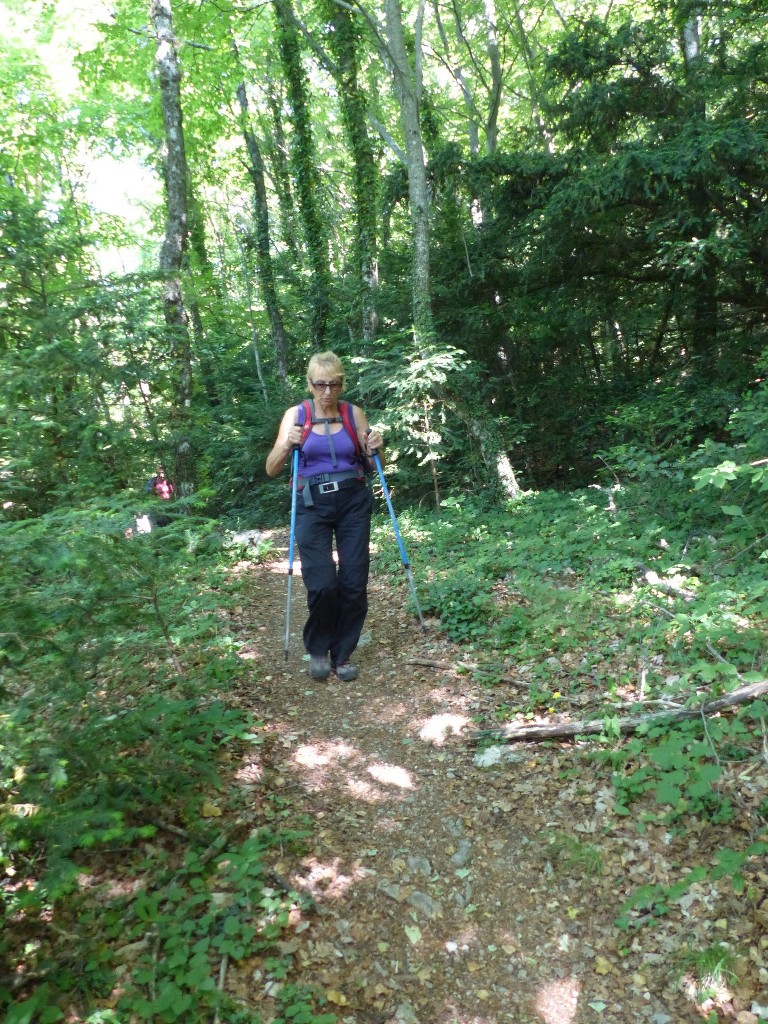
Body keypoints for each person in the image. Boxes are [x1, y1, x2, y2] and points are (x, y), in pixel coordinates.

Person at [266, 352, 383, 682]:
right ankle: (318, 648)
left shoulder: (353, 413)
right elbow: (272, 467)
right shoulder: (296, 415)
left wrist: (375, 446)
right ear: (310, 384)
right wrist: (288, 445)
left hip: (353, 501)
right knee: (322, 583)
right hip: (311, 502)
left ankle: (342, 653)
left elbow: (375, 465)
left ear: (342, 383)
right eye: (321, 384)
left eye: (335, 384)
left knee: (354, 580)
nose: (328, 392)